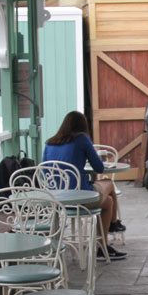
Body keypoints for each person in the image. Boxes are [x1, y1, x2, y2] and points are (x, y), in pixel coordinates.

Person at [42, 111, 126, 262]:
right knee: (108, 182)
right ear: (82, 126)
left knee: (108, 203)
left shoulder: (49, 143)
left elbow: (44, 172)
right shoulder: (81, 139)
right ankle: (112, 227)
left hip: (57, 200)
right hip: (80, 197)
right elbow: (99, 168)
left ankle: (108, 238)